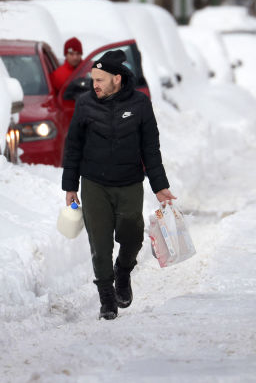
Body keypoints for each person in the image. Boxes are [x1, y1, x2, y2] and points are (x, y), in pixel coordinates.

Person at [61, 49, 176, 320]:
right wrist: (70, 186)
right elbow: (73, 145)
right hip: (94, 184)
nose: (95, 85)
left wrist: (159, 186)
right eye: (93, 79)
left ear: (117, 79)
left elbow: (151, 148)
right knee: (100, 245)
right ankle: (106, 298)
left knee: (132, 236)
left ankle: (123, 272)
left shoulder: (140, 103)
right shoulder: (85, 104)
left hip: (129, 183)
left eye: (100, 80)